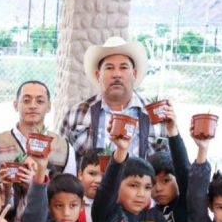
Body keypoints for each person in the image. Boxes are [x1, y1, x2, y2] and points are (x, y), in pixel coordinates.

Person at [59, 36, 163, 169]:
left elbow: (169, 166)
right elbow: (61, 164)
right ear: (98, 75)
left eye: (123, 67)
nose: (117, 74)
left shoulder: (155, 115)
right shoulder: (77, 114)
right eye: (109, 68)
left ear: (134, 73)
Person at [0, 80, 75, 176]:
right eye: (26, 101)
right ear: (15, 105)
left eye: (40, 101)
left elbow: (70, 184)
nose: (33, 106)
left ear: (49, 107)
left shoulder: (64, 147)